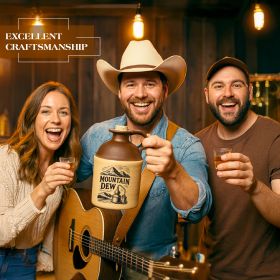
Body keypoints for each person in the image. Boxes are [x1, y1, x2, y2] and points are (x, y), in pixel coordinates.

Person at [77, 39, 212, 279]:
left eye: (150, 84)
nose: (140, 94)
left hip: (152, 269)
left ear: (165, 90)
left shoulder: (186, 145)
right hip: (95, 266)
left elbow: (197, 210)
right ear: (119, 92)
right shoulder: (97, 135)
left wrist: (172, 171)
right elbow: (64, 180)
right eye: (130, 84)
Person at [196, 57, 280, 279]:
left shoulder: (274, 136)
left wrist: (253, 187)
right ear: (207, 95)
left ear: (250, 92)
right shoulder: (198, 143)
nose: (228, 93)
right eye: (218, 86)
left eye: (237, 84)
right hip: (213, 274)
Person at [0, 81, 81, 279]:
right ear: (32, 119)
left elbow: (53, 224)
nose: (56, 120)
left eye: (63, 112)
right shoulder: (6, 159)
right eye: (46, 111)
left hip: (26, 262)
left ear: (70, 122)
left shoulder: (64, 165)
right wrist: (42, 190)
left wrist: (46, 260)